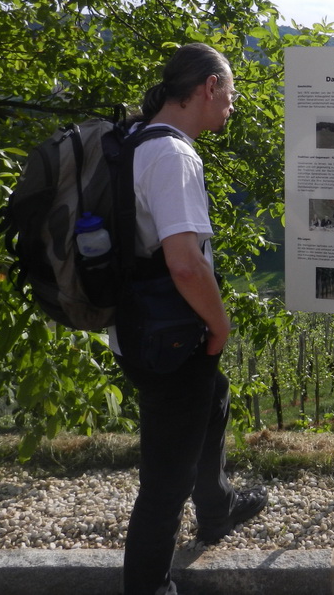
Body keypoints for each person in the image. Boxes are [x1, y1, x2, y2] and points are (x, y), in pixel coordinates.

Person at [111, 43, 266, 595]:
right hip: (171, 339)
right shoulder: (174, 156)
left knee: (213, 400)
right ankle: (150, 586)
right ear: (207, 87)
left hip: (137, 327)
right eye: (230, 92)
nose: (232, 104)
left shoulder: (131, 141)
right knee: (164, 483)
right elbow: (184, 260)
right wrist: (219, 326)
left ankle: (218, 505)